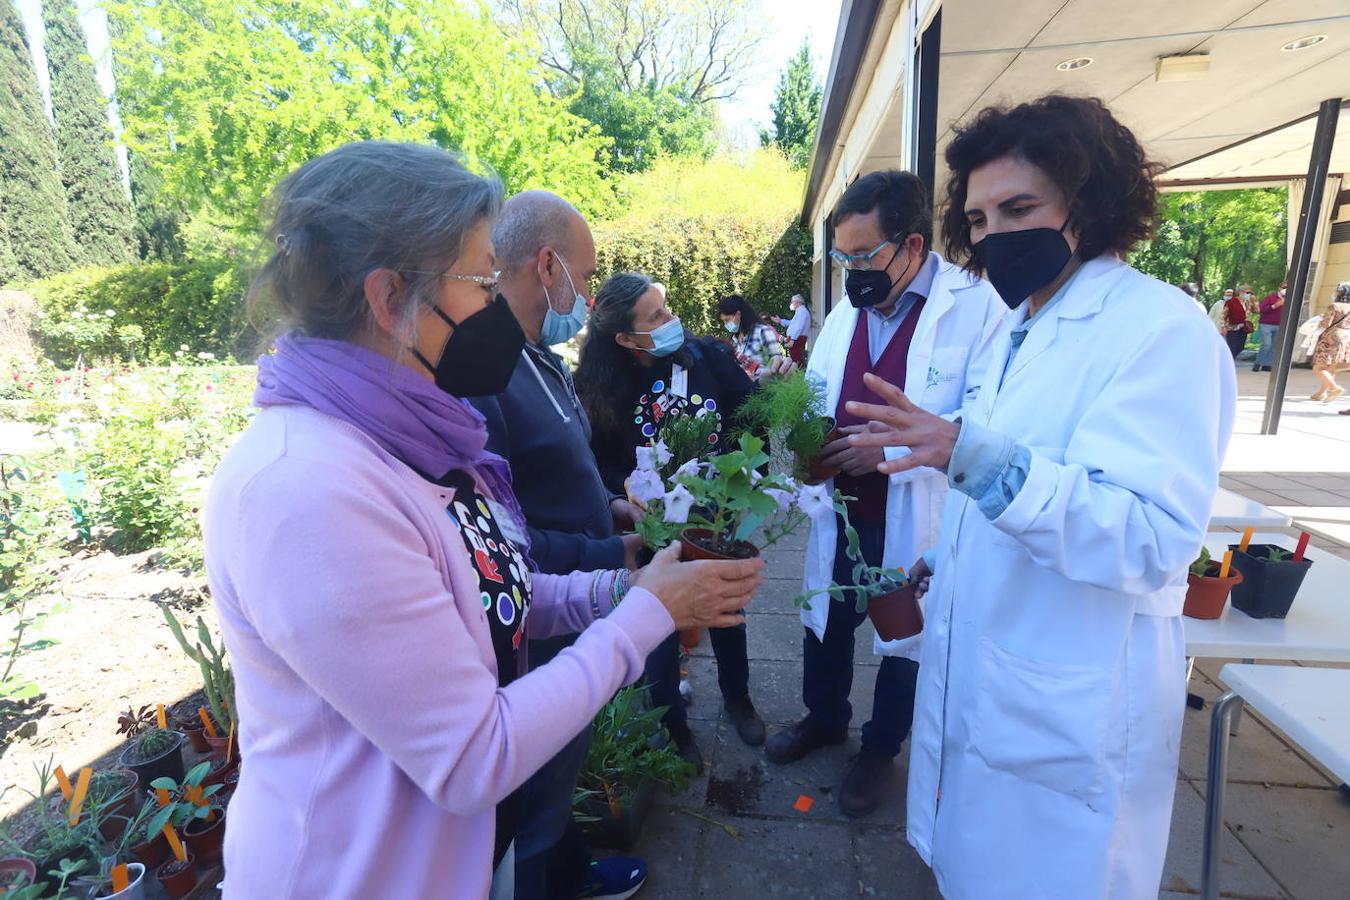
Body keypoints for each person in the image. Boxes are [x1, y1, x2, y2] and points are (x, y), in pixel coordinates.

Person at [204, 142, 763, 899]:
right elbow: (473, 756)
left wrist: (622, 591)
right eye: (477, 281)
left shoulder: (409, 434)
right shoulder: (306, 487)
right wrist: (645, 620)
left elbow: (499, 593)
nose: (497, 306)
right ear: (387, 298)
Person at [847, 96, 1235, 896]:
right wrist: (938, 557)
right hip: (996, 675)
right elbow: (1009, 485)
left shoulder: (1160, 330)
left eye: (1019, 208)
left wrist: (972, 455)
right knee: (976, 866)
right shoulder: (1021, 325)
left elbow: (1149, 535)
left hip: (1072, 699)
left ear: (1091, 205)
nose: (993, 236)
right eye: (980, 218)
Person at [764, 169, 1005, 819]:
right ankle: (824, 717)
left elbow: (986, 425)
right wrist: (796, 453)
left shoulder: (976, 309)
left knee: (905, 631)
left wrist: (888, 452)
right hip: (839, 507)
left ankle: (880, 748)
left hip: (917, 511)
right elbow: (813, 395)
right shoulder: (848, 310)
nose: (852, 272)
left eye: (865, 256)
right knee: (827, 616)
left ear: (914, 247)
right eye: (843, 257)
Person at [466, 191, 648, 900]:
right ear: (548, 265)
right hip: (535, 622)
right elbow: (498, 537)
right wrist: (610, 559)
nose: (591, 294)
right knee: (533, 801)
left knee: (561, 768)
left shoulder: (536, 356)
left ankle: (572, 872)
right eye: (586, 274)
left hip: (574, 598)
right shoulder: (481, 374)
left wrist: (613, 508)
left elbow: (550, 473)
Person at [575, 273, 770, 768]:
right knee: (657, 624)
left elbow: (752, 416)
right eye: (656, 317)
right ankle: (673, 727)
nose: (670, 321)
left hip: (713, 512)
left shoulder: (706, 357)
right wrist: (631, 493)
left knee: (726, 608)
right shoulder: (600, 387)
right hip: (652, 525)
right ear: (624, 338)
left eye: (666, 308)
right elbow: (597, 460)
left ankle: (738, 698)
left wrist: (743, 478)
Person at [718, 293, 785, 377]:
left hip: (764, 387)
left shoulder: (762, 331)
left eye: (727, 320)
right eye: (723, 321)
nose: (726, 324)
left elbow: (776, 365)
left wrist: (754, 369)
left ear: (738, 314)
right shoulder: (735, 339)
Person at [1312, 281, 1350, 403]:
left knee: (1319, 368)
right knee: (1332, 368)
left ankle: (1335, 388)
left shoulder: (1334, 306)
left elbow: (1326, 323)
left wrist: (1318, 321)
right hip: (1346, 337)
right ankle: (1321, 394)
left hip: (1332, 337)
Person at [1255, 281, 1287, 372]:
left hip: (1279, 325)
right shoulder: (1271, 297)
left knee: (1274, 346)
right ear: (1279, 288)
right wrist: (1274, 306)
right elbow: (1261, 309)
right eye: (1283, 287)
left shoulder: (1289, 299)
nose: (1285, 289)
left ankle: (1267, 365)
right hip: (1266, 324)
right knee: (1266, 344)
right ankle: (1258, 363)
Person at [776, 293, 812, 364]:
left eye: (792, 302)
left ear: (798, 302)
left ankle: (797, 373)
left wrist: (793, 339)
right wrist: (780, 321)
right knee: (794, 358)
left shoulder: (802, 312)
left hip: (797, 338)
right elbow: (792, 323)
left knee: (796, 359)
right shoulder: (799, 311)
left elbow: (799, 327)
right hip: (796, 338)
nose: (791, 303)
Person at [1222, 286, 1252, 358]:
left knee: (1240, 347)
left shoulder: (1247, 303)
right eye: (1247, 293)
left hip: (1243, 328)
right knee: (1232, 347)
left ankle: (1229, 360)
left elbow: (1256, 311)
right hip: (1232, 328)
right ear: (1240, 292)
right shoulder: (1231, 302)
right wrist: (1223, 326)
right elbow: (1224, 315)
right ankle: (1228, 363)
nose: (1249, 294)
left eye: (1250, 293)